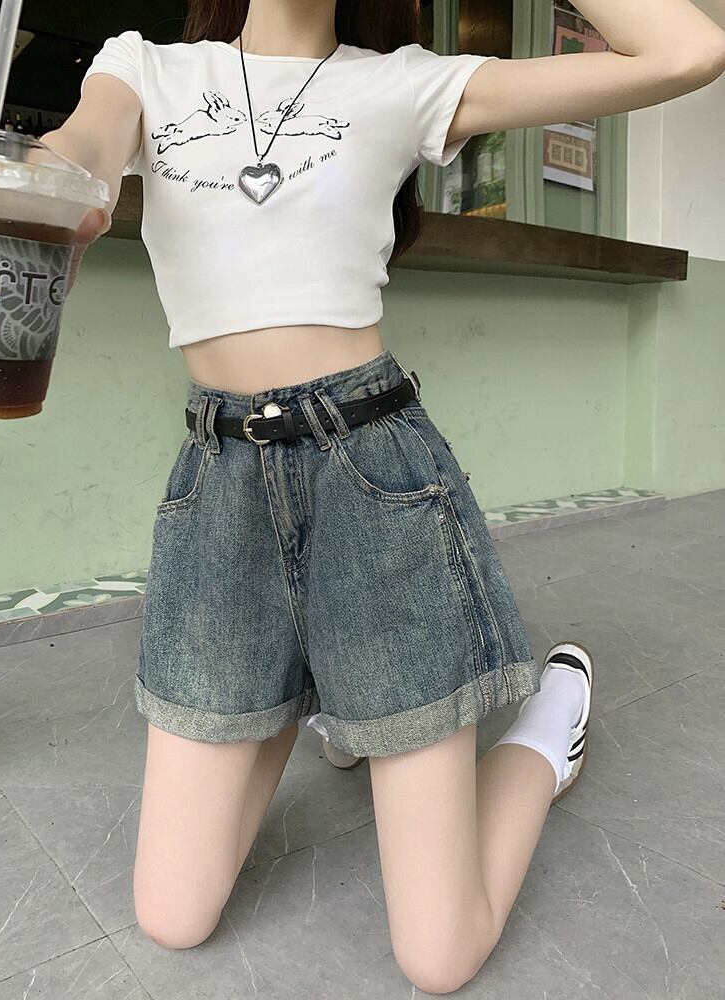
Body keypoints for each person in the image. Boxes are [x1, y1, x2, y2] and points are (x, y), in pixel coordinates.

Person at [43, 0, 725, 992]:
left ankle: (549, 720)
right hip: (221, 491)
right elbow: (83, 146)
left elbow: (692, 49)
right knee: (173, 916)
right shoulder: (146, 67)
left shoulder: (403, 83)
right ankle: (331, 684)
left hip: (374, 480)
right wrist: (52, 187)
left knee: (439, 955)